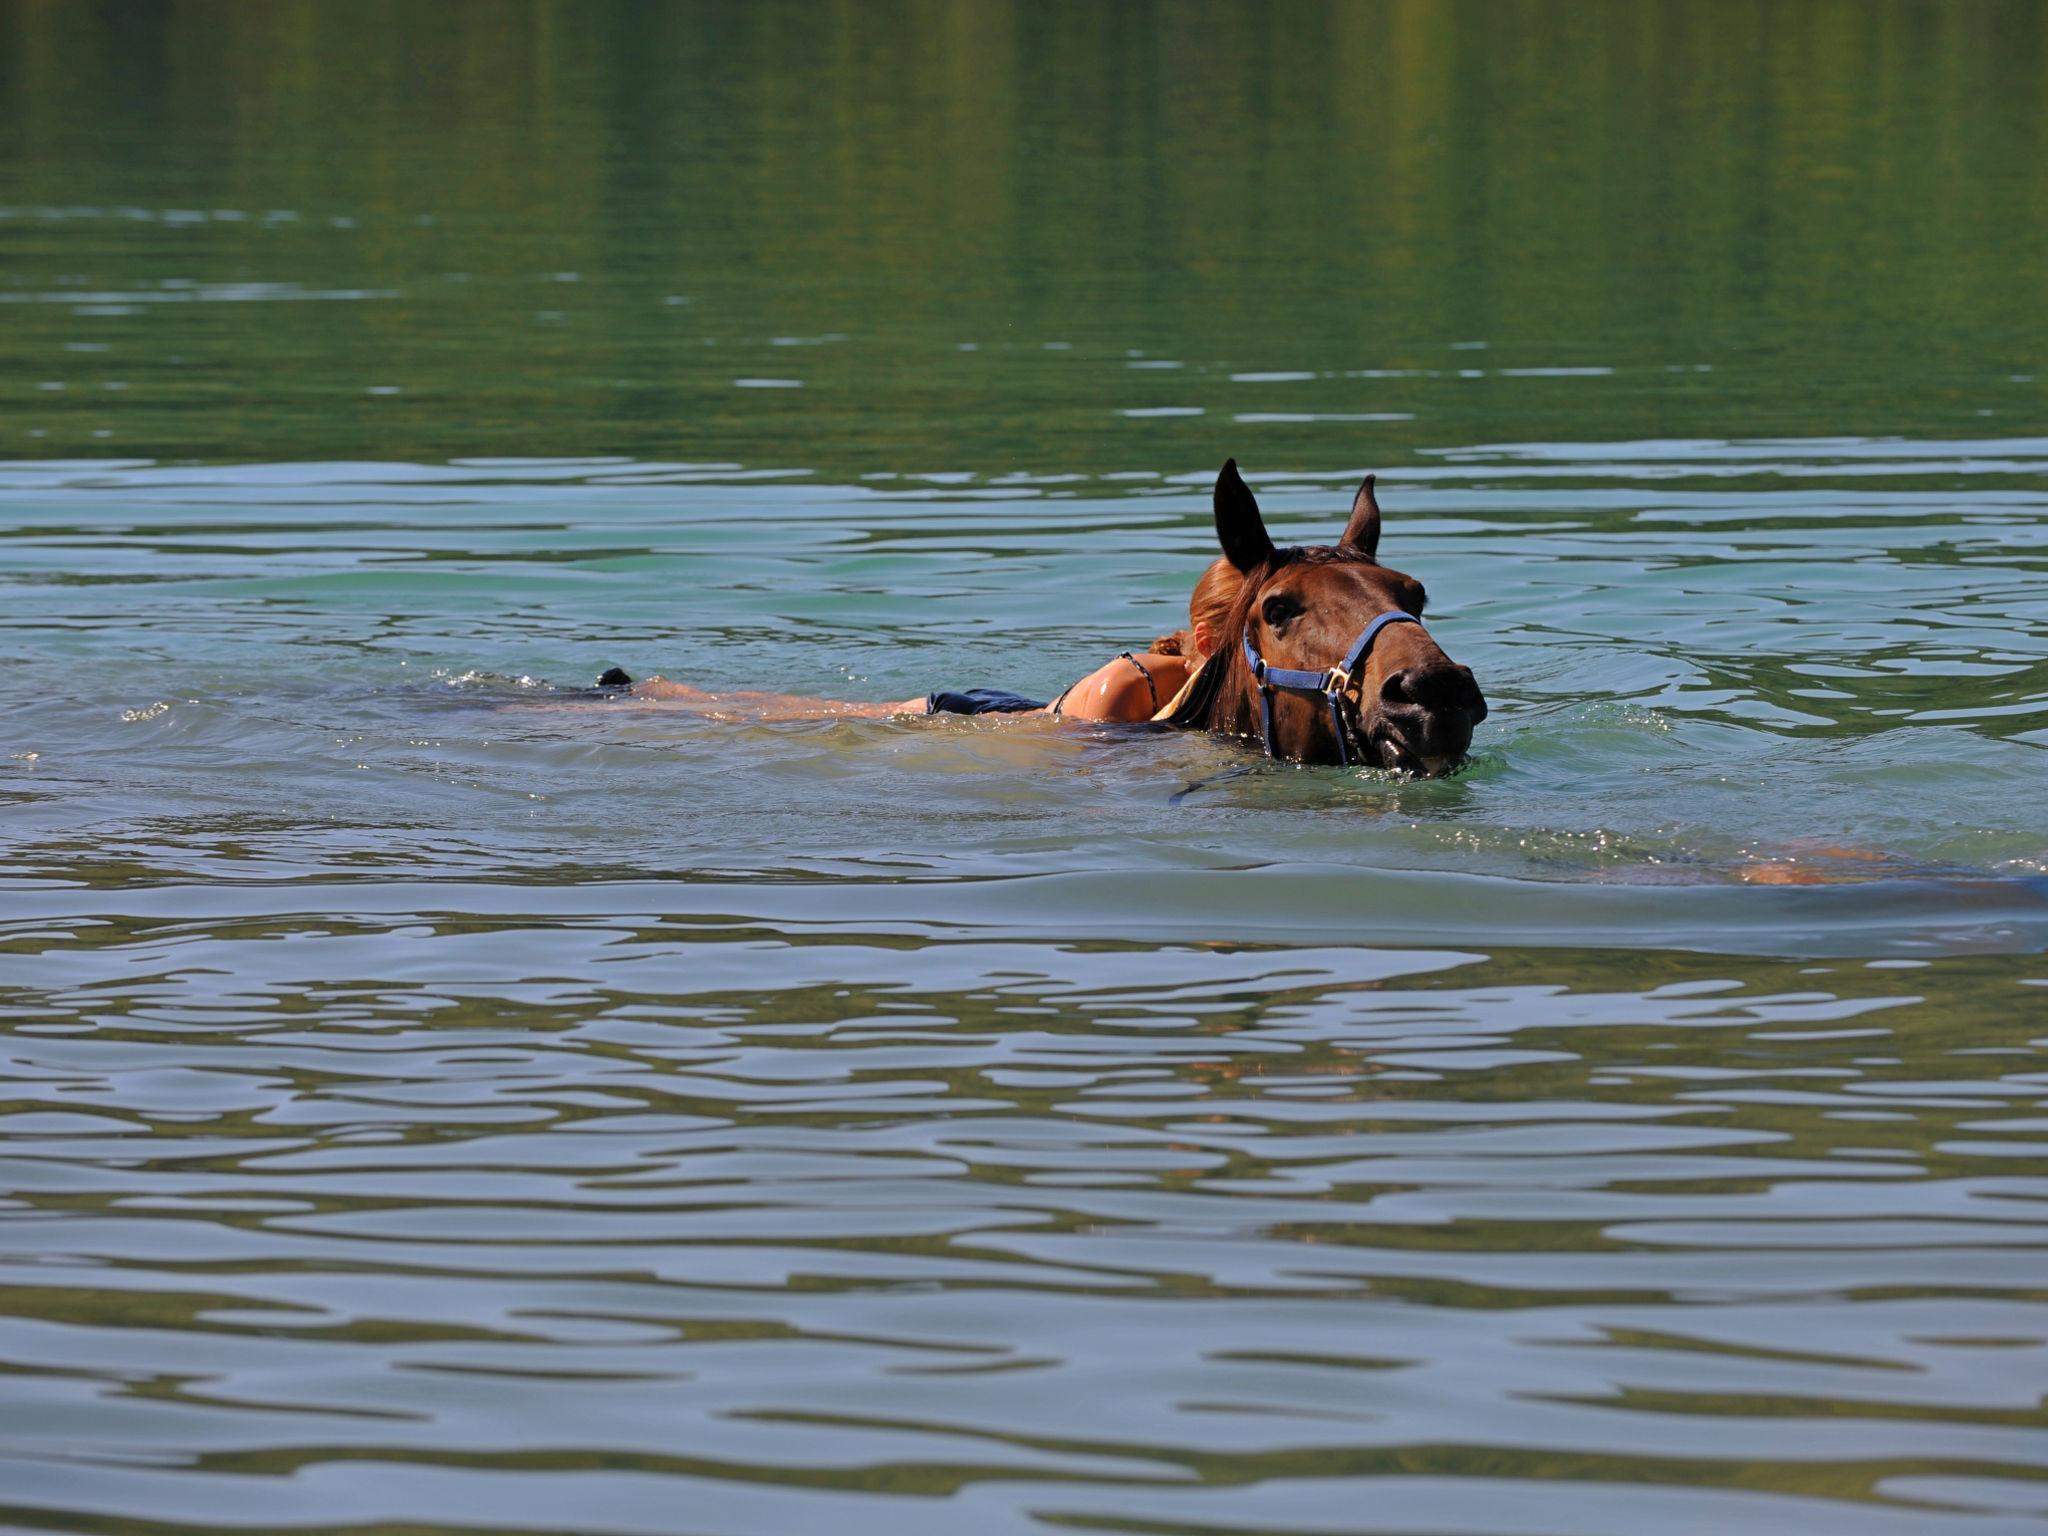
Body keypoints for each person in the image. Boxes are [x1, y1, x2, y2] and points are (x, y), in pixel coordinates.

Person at [611, 557, 1241, 724]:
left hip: (1019, 706)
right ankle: (667, 698)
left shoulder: (1193, 691)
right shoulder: (1130, 680)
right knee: (794, 717)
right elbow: (1087, 782)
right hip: (968, 718)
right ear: (1207, 639)